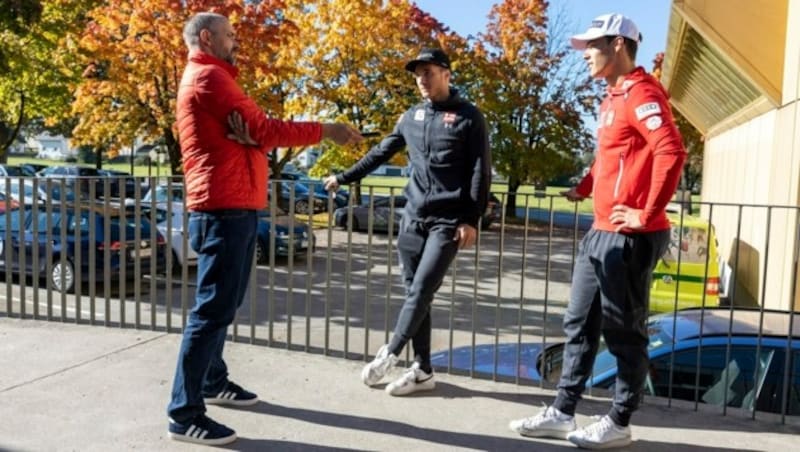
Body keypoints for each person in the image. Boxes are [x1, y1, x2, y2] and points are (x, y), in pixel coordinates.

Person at [167, 12, 361, 446]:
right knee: (211, 311)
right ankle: (184, 412)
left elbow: (258, 133)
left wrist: (256, 137)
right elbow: (262, 128)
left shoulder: (218, 77)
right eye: (230, 35)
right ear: (206, 37)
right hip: (224, 209)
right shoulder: (209, 79)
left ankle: (213, 382)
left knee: (224, 305)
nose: (236, 41)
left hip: (235, 207)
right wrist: (325, 130)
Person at [508, 13, 686, 450]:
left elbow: (672, 151)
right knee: (579, 325)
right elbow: (612, 155)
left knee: (624, 331)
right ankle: (563, 411)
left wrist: (646, 213)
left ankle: (620, 421)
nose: (585, 53)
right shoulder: (612, 97)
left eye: (593, 45)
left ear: (618, 45)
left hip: (628, 237)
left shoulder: (640, 92)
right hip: (600, 230)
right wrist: (586, 186)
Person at [323, 47, 491, 397]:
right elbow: (379, 153)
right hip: (412, 218)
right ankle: (423, 369)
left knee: (421, 290)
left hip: (448, 221)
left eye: (428, 72)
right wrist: (344, 176)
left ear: (446, 74)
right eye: (417, 74)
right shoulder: (411, 116)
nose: (421, 80)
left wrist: (471, 219)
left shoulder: (469, 117)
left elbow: (480, 170)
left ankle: (391, 353)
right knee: (417, 294)